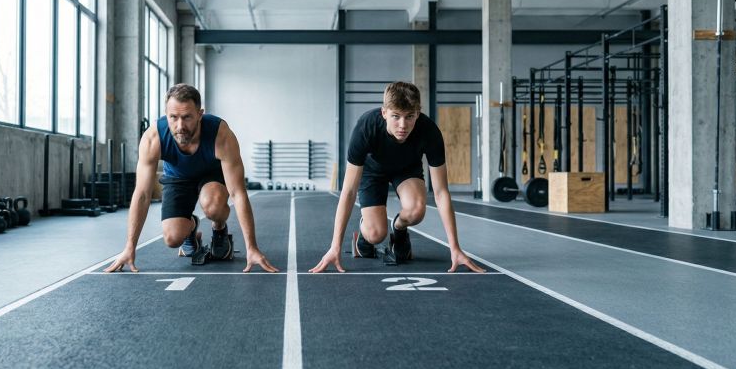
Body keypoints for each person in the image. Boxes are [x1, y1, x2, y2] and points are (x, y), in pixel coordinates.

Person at [310, 81, 484, 274]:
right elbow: (349, 191)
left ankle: (399, 229)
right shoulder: (366, 127)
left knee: (417, 210)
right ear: (384, 113)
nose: (403, 125)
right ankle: (363, 232)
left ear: (418, 113)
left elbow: (441, 192)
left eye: (410, 117)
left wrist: (455, 248)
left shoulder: (429, 132)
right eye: (396, 117)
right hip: (373, 171)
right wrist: (335, 247)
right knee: (376, 234)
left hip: (406, 169)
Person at [105, 84, 278, 274]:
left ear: (200, 114)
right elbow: (143, 194)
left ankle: (219, 230)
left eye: (187, 117)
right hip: (177, 177)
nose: (180, 126)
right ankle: (191, 227)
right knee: (172, 238)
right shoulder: (153, 138)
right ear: (166, 114)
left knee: (213, 206)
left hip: (211, 174)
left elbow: (238, 193)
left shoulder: (221, 135)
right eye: (173, 117)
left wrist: (251, 247)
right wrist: (129, 246)